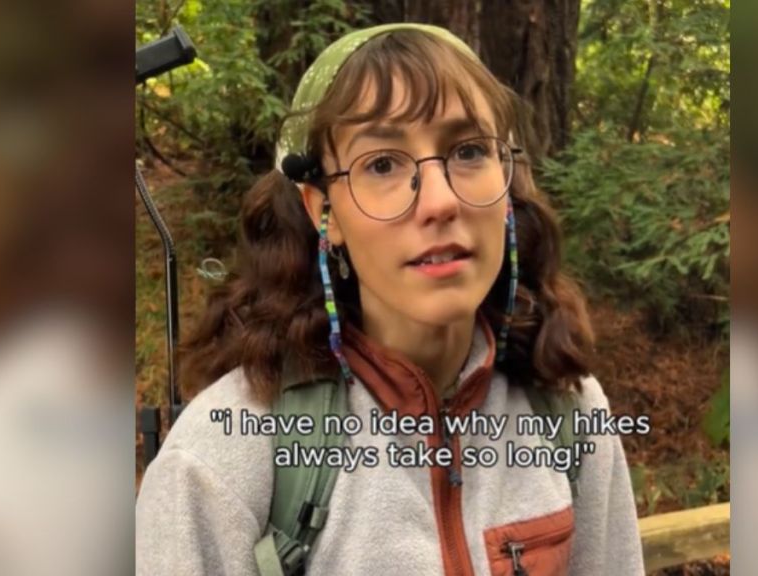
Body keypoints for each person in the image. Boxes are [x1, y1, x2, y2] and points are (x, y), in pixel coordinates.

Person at [136, 23, 645, 576]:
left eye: (470, 151)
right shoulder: (222, 466)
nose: (440, 201)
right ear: (321, 212)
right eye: (382, 163)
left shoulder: (568, 413)